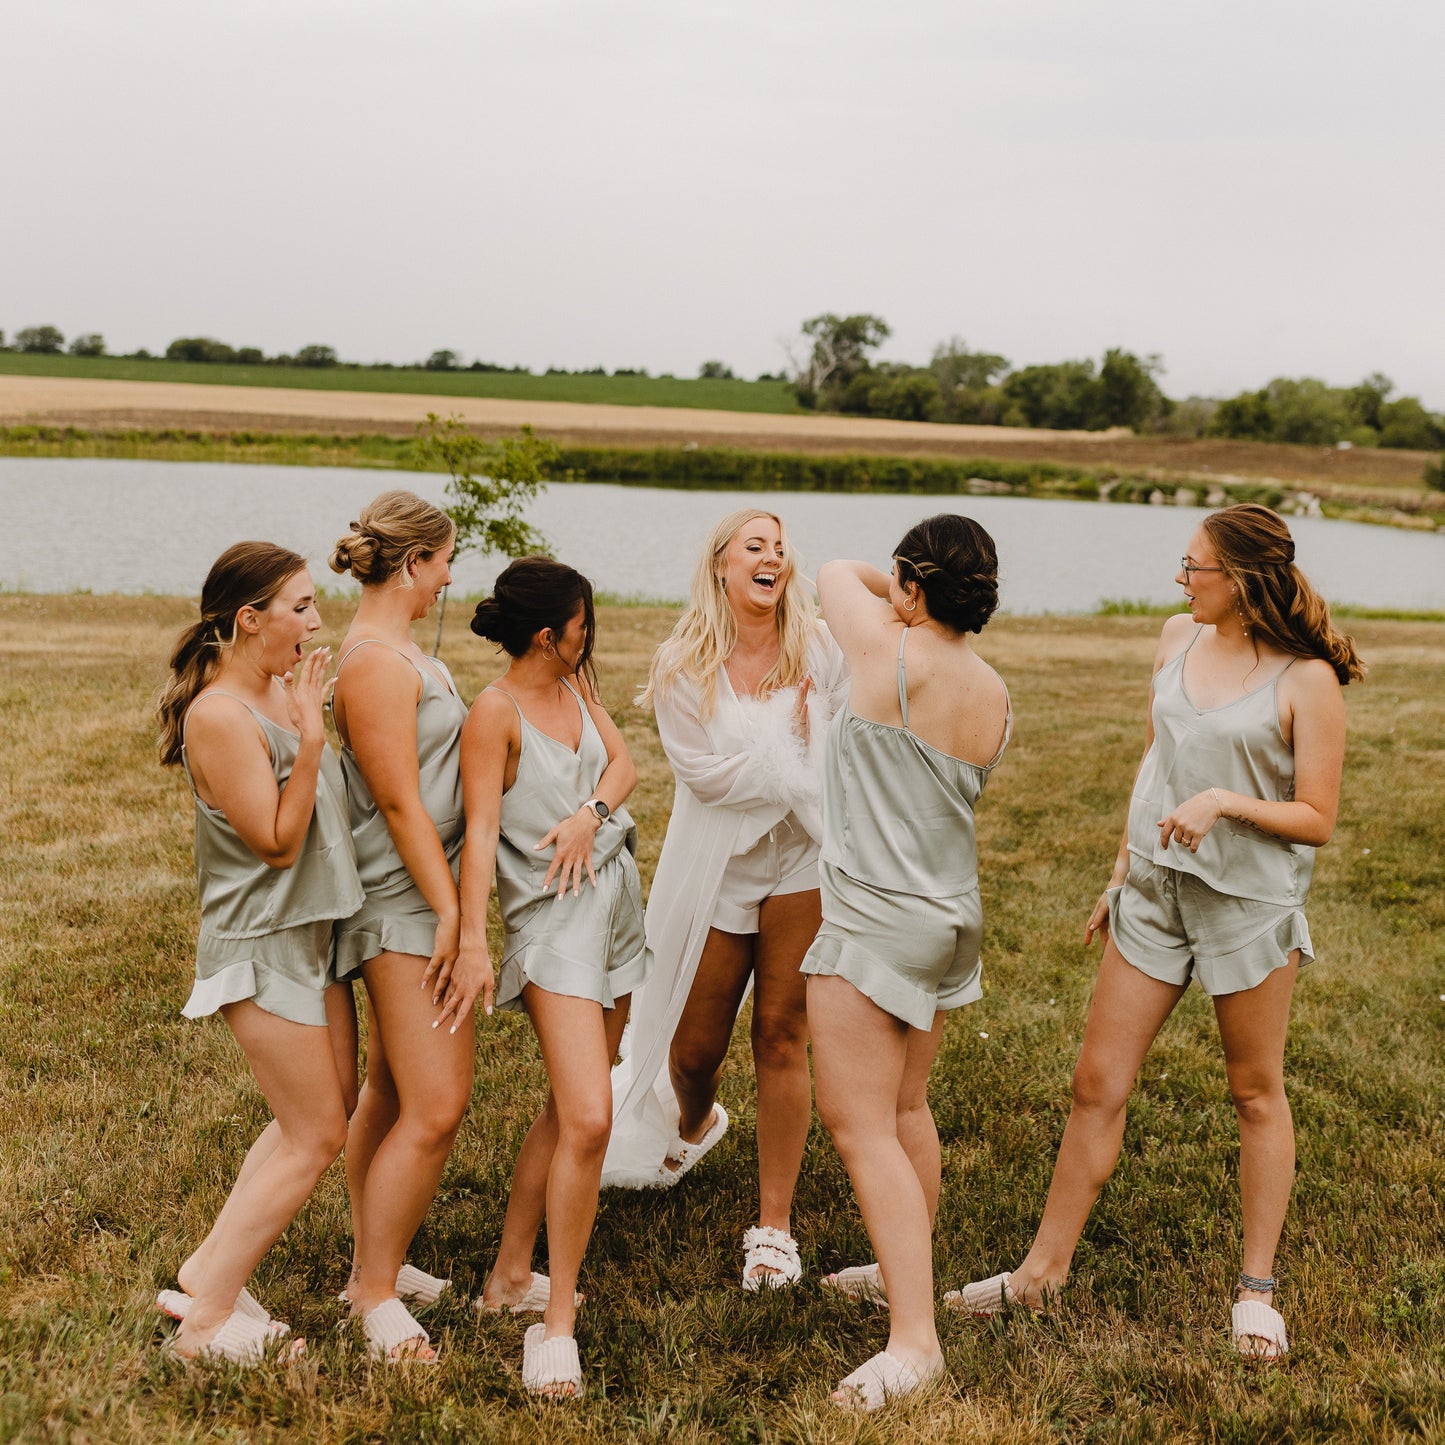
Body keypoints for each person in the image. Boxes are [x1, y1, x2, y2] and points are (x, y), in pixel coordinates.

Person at [948, 503, 1364, 1363]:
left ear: (1242, 577)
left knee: (1254, 1091)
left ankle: (1255, 1289)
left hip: (1245, 906)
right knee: (1094, 1083)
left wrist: (1225, 803)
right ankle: (1039, 1271)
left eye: (1194, 568)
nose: (1181, 582)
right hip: (1153, 891)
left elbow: (1317, 816)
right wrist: (1118, 872)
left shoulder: (1304, 679)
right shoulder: (1175, 637)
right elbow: (1154, 767)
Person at [601, 509, 848, 1292]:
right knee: (692, 1048)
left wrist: (807, 757)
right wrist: (795, 752)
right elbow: (704, 775)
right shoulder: (682, 662)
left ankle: (773, 1224)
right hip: (713, 867)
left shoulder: (818, 645)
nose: (772, 557)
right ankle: (697, 1123)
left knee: (781, 1031)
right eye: (755, 546)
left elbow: (840, 750)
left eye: (779, 547)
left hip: (800, 861)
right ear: (721, 566)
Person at [805, 514, 1010, 1411]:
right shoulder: (994, 689)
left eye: (902, 578)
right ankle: (905, 1272)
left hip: (871, 920)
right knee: (905, 1106)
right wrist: (909, 584)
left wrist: (888, 581)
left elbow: (826, 572)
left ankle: (914, 1340)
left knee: (857, 1124)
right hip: (945, 917)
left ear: (913, 585)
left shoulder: (888, 655)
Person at [154, 542, 364, 1364]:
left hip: (312, 931)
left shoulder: (276, 687)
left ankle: (212, 1265)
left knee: (314, 1116)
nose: (317, 623)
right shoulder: (218, 716)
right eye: (302, 607)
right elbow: (277, 841)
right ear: (250, 619)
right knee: (314, 1134)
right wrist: (311, 739)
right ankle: (204, 1323)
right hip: (261, 942)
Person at [457, 557, 651, 1399]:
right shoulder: (492, 715)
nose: (589, 635)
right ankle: (556, 1319)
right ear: (548, 633)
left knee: (571, 1107)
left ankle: (508, 1277)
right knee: (589, 1118)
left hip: (616, 906)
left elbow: (624, 768)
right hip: (553, 926)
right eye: (582, 623)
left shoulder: (578, 690)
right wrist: (472, 939)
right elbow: (477, 837)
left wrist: (590, 814)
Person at [329, 490, 482, 1363]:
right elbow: (396, 801)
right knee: (435, 1103)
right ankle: (374, 1292)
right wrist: (454, 915)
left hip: (418, 896)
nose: (451, 577)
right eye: (446, 559)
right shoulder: (374, 661)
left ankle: (372, 1256)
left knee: (391, 1091)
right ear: (416, 561)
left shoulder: (400, 651)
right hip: (402, 903)